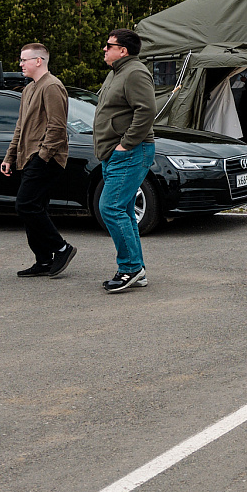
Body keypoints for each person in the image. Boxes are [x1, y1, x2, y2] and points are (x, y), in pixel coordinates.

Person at [2, 43, 78, 278]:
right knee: (34, 208)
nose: (21, 64)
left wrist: (43, 156)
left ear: (39, 61)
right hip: (26, 157)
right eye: (20, 60)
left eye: (24, 60)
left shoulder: (52, 86)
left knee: (25, 205)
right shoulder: (28, 90)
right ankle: (43, 261)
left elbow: (57, 127)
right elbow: (20, 127)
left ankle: (62, 248)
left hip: (46, 158)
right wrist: (10, 156)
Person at [94, 28, 157, 294]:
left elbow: (147, 110)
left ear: (124, 50)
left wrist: (126, 144)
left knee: (110, 208)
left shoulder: (135, 72)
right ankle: (136, 269)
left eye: (109, 46)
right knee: (124, 211)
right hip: (114, 153)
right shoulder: (116, 73)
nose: (105, 49)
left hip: (130, 152)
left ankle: (130, 268)